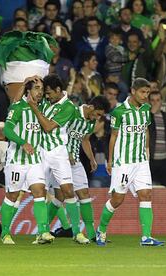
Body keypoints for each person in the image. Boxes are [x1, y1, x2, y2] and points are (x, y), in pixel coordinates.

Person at [96, 78, 165, 246]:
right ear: (133, 91)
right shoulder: (119, 112)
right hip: (124, 162)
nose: (145, 96)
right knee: (118, 199)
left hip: (141, 161)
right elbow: (113, 136)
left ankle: (146, 237)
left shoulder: (146, 109)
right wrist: (110, 160)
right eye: (143, 92)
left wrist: (147, 150)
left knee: (146, 194)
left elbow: (146, 131)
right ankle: (101, 230)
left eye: (147, 92)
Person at [28, 74, 90, 244]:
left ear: (58, 90)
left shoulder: (68, 107)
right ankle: (42, 232)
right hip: (41, 153)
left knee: (68, 191)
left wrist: (34, 108)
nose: (46, 96)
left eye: (49, 93)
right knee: (40, 191)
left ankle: (77, 233)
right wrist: (32, 81)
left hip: (58, 153)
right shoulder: (47, 102)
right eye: (45, 93)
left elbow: (48, 127)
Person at [0, 78, 54, 245]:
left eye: (42, 88)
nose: (40, 91)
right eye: (36, 88)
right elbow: (7, 129)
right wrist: (23, 143)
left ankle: (43, 232)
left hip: (35, 159)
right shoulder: (18, 107)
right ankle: (5, 233)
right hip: (17, 160)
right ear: (28, 91)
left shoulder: (42, 107)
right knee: (12, 195)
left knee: (40, 192)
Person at [49, 96, 110, 241]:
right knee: (60, 197)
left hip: (75, 162)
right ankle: (43, 229)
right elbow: (58, 133)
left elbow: (85, 140)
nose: (98, 118)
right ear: (90, 107)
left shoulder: (91, 122)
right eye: (98, 113)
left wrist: (91, 159)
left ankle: (90, 234)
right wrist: (68, 152)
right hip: (61, 159)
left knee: (84, 193)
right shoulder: (72, 112)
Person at [148, 91, 166, 187]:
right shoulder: (145, 117)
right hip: (150, 160)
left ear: (161, 102)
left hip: (165, 160)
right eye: (152, 100)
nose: (155, 103)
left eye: (158, 100)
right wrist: (151, 114)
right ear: (149, 102)